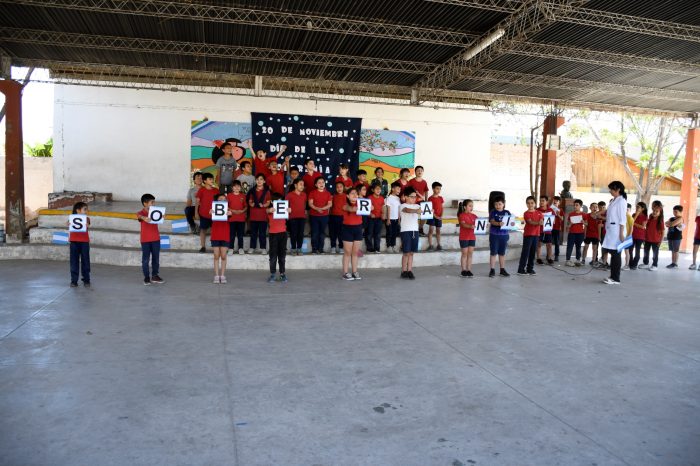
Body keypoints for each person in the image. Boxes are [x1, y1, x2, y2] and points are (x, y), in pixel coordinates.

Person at [601, 181, 628, 285]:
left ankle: (616, 278)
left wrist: (621, 234)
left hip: (617, 232)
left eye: (612, 189)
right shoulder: (614, 200)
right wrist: (598, 214)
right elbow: (608, 212)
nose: (610, 191)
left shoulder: (622, 201)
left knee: (616, 255)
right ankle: (613, 276)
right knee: (613, 254)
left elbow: (622, 219)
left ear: (618, 190)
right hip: (611, 231)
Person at [136, 193, 164, 285]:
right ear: (145, 203)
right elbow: (139, 217)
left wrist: (163, 216)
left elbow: (161, 217)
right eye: (152, 202)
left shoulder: (156, 211)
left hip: (156, 239)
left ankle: (155, 275)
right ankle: (146, 277)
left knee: (156, 258)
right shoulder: (141, 213)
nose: (154, 204)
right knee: (146, 259)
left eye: (154, 202)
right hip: (145, 240)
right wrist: (144, 218)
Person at [341, 187, 364, 280]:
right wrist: (362, 206)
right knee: (347, 252)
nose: (355, 195)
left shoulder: (361, 203)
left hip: (358, 228)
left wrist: (369, 206)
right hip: (347, 229)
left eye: (356, 193)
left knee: (355, 252)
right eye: (352, 193)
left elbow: (372, 207)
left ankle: (355, 272)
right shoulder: (345, 204)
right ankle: (345, 273)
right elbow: (351, 209)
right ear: (347, 195)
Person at [267, 192, 289, 283]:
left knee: (282, 255)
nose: (279, 201)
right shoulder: (270, 209)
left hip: (283, 233)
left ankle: (282, 273)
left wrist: (289, 210)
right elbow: (267, 211)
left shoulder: (285, 209)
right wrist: (270, 210)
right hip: (273, 234)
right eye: (277, 200)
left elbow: (288, 215)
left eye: (281, 200)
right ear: (272, 201)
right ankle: (272, 274)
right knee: (273, 255)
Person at [518, 196, 543, 275]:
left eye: (532, 203)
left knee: (532, 252)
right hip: (528, 235)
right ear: (526, 204)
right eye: (528, 203)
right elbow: (530, 222)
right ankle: (521, 269)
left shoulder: (539, 213)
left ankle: (530, 269)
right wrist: (539, 223)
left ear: (535, 203)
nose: (530, 205)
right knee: (525, 252)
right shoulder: (526, 213)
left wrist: (541, 221)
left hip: (536, 235)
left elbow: (542, 220)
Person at [399, 187, 421, 279]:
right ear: (405, 197)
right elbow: (407, 210)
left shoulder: (417, 206)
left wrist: (430, 211)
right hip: (406, 231)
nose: (414, 198)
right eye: (412, 197)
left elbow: (425, 209)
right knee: (406, 252)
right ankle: (403, 271)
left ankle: (410, 270)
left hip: (415, 231)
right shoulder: (402, 206)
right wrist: (416, 211)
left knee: (411, 252)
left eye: (415, 197)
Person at [68, 201, 91, 287]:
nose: (86, 211)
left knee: (85, 261)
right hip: (73, 242)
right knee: (74, 261)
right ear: (78, 210)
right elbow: (68, 225)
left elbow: (88, 225)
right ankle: (74, 280)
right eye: (85, 209)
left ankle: (86, 279)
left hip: (84, 242)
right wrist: (68, 224)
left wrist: (87, 224)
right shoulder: (71, 219)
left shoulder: (87, 218)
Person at [210, 193, 231, 284]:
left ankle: (222, 275)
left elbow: (230, 217)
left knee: (223, 256)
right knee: (216, 256)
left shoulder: (228, 210)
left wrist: (229, 213)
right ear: (216, 200)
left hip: (225, 235)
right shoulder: (213, 209)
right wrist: (211, 213)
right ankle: (216, 275)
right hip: (215, 235)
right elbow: (211, 217)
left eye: (224, 199)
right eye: (220, 199)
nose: (222, 200)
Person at [488, 196, 511, 277]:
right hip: (494, 235)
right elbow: (492, 221)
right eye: (496, 204)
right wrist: (498, 223)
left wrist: (512, 224)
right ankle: (492, 270)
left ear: (503, 204)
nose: (498, 206)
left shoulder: (507, 212)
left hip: (504, 235)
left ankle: (502, 269)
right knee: (493, 253)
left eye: (500, 204)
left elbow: (510, 222)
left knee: (502, 253)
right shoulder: (493, 212)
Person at [308, 177, 332, 254]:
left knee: (322, 233)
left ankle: (321, 248)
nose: (321, 184)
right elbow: (310, 203)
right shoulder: (312, 193)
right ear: (316, 184)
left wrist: (322, 208)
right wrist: (317, 209)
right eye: (319, 182)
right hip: (314, 216)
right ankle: (314, 249)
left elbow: (330, 204)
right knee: (315, 232)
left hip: (324, 216)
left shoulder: (328, 193)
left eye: (323, 182)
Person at [195, 172, 217, 253]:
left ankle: (214, 245)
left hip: (214, 215)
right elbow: (197, 202)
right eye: (210, 179)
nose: (212, 180)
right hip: (203, 214)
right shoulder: (202, 190)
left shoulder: (216, 190)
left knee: (214, 230)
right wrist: (196, 213)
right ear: (205, 181)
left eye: (212, 179)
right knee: (203, 230)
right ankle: (203, 246)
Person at [640, 200, 664, 271]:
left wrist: (660, 241)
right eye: (653, 210)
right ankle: (645, 263)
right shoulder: (650, 216)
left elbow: (663, 232)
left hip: (656, 241)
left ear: (660, 211)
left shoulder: (660, 221)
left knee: (655, 254)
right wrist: (644, 237)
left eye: (657, 211)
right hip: (647, 239)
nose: (654, 212)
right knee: (646, 252)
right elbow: (646, 227)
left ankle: (654, 265)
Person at [285, 179, 307, 255]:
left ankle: (299, 248)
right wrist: (287, 213)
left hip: (302, 217)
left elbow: (304, 205)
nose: (302, 186)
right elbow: (285, 206)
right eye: (300, 184)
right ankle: (293, 248)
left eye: (303, 185)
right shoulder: (289, 195)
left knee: (300, 234)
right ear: (295, 185)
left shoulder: (304, 195)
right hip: (292, 218)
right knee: (293, 233)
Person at [458, 199, 477, 277]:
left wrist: (485, 224)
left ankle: (469, 270)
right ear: (465, 207)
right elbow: (463, 225)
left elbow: (479, 223)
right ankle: (463, 270)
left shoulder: (474, 216)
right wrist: (470, 226)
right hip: (464, 237)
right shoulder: (461, 215)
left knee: (470, 254)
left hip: (472, 237)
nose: (471, 207)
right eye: (469, 206)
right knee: (464, 254)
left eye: (472, 206)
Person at [227, 180, 247, 254]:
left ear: (240, 187)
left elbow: (246, 206)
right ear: (232, 188)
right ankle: (231, 248)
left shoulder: (243, 196)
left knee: (240, 235)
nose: (236, 188)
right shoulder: (229, 195)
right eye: (235, 186)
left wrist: (242, 211)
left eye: (238, 186)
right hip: (232, 219)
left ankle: (241, 248)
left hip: (241, 219)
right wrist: (233, 210)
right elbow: (226, 206)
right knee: (231, 235)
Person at [408, 166, 429, 235]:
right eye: (418, 170)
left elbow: (426, 191)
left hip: (421, 201)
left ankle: (420, 228)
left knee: (427, 213)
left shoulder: (424, 182)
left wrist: (426, 200)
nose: (419, 172)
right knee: (413, 215)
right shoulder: (411, 181)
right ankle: (412, 228)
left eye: (421, 170)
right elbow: (408, 192)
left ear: (423, 172)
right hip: (413, 201)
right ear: (415, 172)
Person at [565, 199, 586, 267]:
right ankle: (568, 260)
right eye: (574, 205)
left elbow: (587, 224)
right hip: (572, 233)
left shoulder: (584, 214)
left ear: (580, 206)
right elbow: (567, 225)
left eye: (577, 205)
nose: (575, 206)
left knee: (578, 247)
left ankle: (578, 260)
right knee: (570, 246)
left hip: (580, 233)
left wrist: (584, 222)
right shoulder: (571, 214)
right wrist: (570, 224)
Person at [366, 183, 384, 253]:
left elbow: (383, 207)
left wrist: (383, 214)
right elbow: (366, 209)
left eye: (379, 189)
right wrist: (370, 214)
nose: (378, 190)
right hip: (371, 219)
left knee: (378, 234)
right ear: (372, 190)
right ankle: (369, 248)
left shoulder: (382, 198)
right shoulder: (369, 198)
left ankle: (377, 248)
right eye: (376, 189)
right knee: (369, 233)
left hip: (379, 219)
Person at [535, 195, 554, 264]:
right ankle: (538, 258)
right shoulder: (537, 210)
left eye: (543, 201)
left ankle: (549, 258)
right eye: (540, 201)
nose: (541, 202)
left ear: (547, 202)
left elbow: (553, 220)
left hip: (548, 229)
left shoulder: (550, 210)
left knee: (549, 244)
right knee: (539, 244)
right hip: (539, 229)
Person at [629, 202, 647, 270]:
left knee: (637, 250)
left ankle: (635, 264)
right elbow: (631, 222)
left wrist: (634, 224)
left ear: (643, 208)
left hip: (640, 236)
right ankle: (630, 263)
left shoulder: (645, 216)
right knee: (630, 250)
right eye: (636, 206)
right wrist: (636, 214)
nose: (636, 208)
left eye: (638, 207)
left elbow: (643, 227)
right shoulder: (634, 214)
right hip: (632, 235)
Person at [329, 181, 346, 254]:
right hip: (333, 216)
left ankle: (341, 247)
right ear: (335, 188)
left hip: (343, 217)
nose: (339, 188)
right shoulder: (332, 196)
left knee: (341, 233)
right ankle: (333, 247)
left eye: (341, 187)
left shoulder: (346, 196)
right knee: (333, 233)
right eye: (337, 187)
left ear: (343, 188)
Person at [384, 181, 402, 253]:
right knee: (389, 233)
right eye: (398, 189)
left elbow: (399, 209)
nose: (399, 191)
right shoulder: (389, 198)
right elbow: (388, 208)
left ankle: (393, 245)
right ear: (393, 189)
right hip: (389, 219)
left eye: (400, 189)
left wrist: (399, 219)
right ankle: (389, 246)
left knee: (394, 233)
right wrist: (388, 219)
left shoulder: (398, 198)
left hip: (396, 219)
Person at [427, 182, 444, 251]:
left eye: (440, 189)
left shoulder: (441, 198)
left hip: (439, 217)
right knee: (431, 230)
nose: (439, 190)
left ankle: (439, 244)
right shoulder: (430, 198)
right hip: (432, 217)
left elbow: (442, 207)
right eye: (437, 188)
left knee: (438, 231)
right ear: (433, 189)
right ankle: (430, 245)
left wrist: (441, 215)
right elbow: (429, 209)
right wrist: (435, 216)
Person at [550, 195, 563, 261]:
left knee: (556, 242)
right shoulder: (549, 209)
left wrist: (558, 214)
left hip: (557, 228)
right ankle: (549, 255)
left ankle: (556, 255)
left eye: (557, 201)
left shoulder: (560, 210)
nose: (555, 201)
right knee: (549, 242)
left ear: (559, 203)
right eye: (554, 200)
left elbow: (562, 218)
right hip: (550, 227)